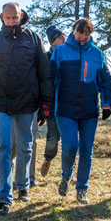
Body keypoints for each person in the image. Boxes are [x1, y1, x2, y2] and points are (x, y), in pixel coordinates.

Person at [0, 2, 52, 216]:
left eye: (15, 18)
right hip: (0, 103)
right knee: (2, 147)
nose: (12, 21)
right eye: (8, 18)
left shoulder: (33, 39)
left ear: (21, 16)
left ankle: (23, 185)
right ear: (2, 17)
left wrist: (46, 104)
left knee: (26, 147)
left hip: (27, 103)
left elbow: (44, 74)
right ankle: (4, 197)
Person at [51, 18, 111, 204]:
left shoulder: (97, 54)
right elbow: (51, 81)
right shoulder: (60, 52)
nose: (83, 37)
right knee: (70, 147)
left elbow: (105, 81)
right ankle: (66, 176)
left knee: (86, 149)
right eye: (80, 32)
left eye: (87, 33)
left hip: (89, 110)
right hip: (65, 109)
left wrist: (106, 104)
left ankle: (82, 188)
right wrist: (46, 106)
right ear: (73, 30)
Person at [39, 25, 65, 177]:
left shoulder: (70, 54)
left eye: (63, 36)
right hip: (53, 106)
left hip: (69, 104)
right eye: (60, 37)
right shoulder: (46, 58)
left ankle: (67, 173)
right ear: (53, 41)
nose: (64, 39)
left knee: (70, 143)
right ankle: (48, 159)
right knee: (53, 139)